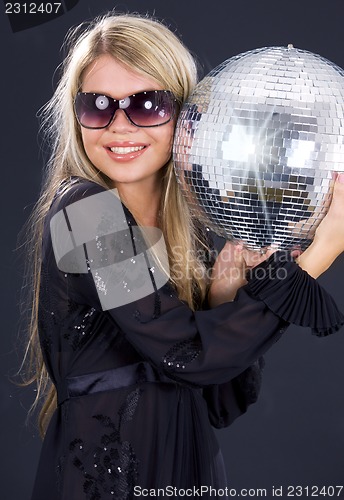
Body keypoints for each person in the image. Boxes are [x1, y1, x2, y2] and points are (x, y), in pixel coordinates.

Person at [23, 12, 344, 500]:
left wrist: (220, 301)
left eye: (148, 105)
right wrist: (312, 261)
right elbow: (193, 357)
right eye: (98, 106)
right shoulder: (85, 214)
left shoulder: (185, 230)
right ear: (77, 115)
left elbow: (218, 401)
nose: (120, 126)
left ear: (187, 118)